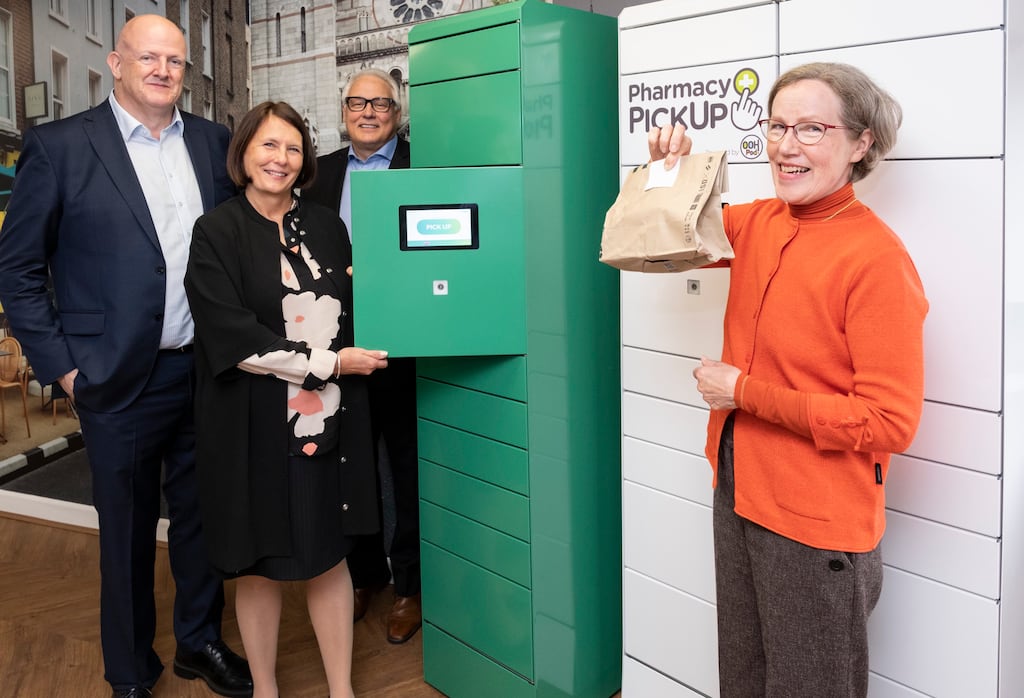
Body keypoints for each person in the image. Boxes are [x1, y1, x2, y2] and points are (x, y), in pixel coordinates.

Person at [648, 62, 928, 697]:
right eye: (777, 127)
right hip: (740, 487)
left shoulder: (877, 259)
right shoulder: (761, 221)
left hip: (816, 519)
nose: (785, 145)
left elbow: (889, 421)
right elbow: (667, 234)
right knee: (743, 678)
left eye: (811, 128)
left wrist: (742, 391)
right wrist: (671, 172)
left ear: (861, 144)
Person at [0, 15, 251, 698]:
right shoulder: (59, 146)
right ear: (117, 63)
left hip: (206, 371)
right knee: (127, 535)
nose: (165, 70)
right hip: (115, 377)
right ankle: (131, 670)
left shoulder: (212, 143)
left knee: (204, 523)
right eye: (149, 57)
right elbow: (19, 269)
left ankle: (200, 642)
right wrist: (65, 367)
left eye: (175, 59)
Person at [184, 101, 388, 698]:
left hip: (327, 423)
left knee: (329, 557)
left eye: (293, 148)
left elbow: (359, 309)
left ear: (305, 160)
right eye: (269, 146)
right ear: (243, 153)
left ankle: (341, 690)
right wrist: (331, 363)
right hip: (249, 425)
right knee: (258, 565)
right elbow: (236, 340)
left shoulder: (328, 226)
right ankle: (266, 689)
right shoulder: (215, 231)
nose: (281, 159)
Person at [304, 68, 423, 644]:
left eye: (380, 103)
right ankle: (365, 576)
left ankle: (411, 586)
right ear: (344, 110)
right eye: (358, 103)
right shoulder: (320, 173)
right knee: (348, 466)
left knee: (405, 467)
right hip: (336, 347)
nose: (369, 112)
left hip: (405, 343)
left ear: (397, 111)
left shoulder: (422, 162)